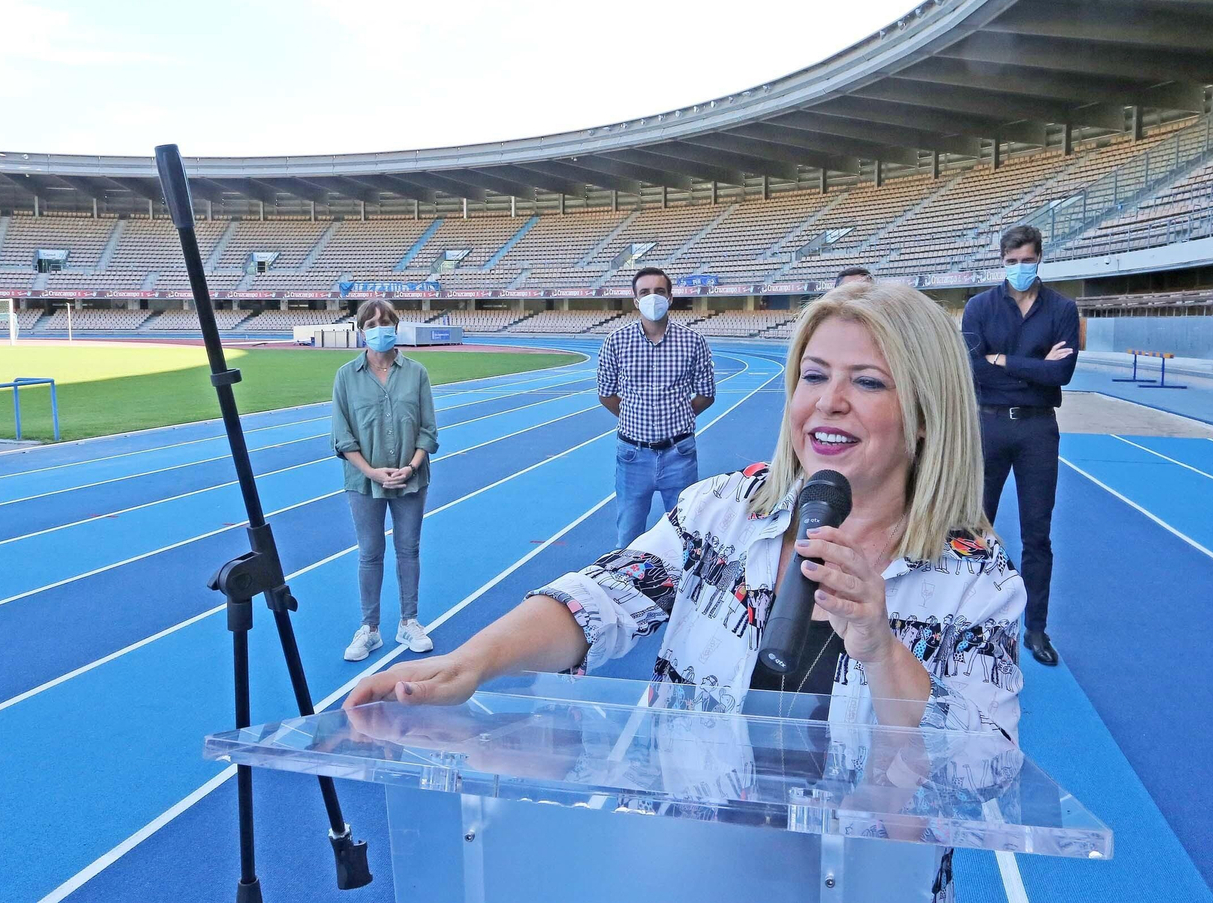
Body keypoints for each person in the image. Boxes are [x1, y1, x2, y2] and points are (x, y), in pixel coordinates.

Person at [348, 282, 1025, 902]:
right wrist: (472, 663)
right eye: (814, 375)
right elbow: (602, 596)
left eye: (868, 381)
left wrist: (880, 648)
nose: (829, 401)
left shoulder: (975, 579)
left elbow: (980, 773)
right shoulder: (726, 511)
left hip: (857, 885)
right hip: (686, 868)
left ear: (925, 413)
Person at [961, 224, 1078, 667]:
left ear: (1040, 258)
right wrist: (1033, 367)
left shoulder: (1062, 309)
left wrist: (1002, 360)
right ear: (1002, 261)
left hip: (1037, 430)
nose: (1019, 268)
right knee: (974, 527)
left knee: (1037, 534)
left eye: (1027, 260)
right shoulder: (979, 307)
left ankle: (1035, 629)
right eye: (1012, 262)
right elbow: (973, 370)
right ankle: (968, 615)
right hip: (988, 426)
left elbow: (1061, 374)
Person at [332, 298, 439, 661]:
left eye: (385, 323)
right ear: (361, 330)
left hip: (412, 478)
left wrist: (411, 467)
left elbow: (428, 430)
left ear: (396, 326)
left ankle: (409, 622)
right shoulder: (346, 376)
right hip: (364, 482)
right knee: (370, 552)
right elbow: (342, 436)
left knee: (409, 550)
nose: (380, 330)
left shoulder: (416, 373)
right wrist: (371, 472)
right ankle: (370, 628)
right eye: (372, 324)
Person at [597, 267, 716, 549]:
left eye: (659, 291)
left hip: (679, 454)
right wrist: (632, 416)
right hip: (633, 455)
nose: (653, 297)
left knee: (685, 533)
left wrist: (679, 416)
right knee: (629, 535)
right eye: (645, 292)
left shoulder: (693, 341)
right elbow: (606, 393)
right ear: (636, 300)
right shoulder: (616, 342)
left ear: (670, 297)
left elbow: (707, 394)